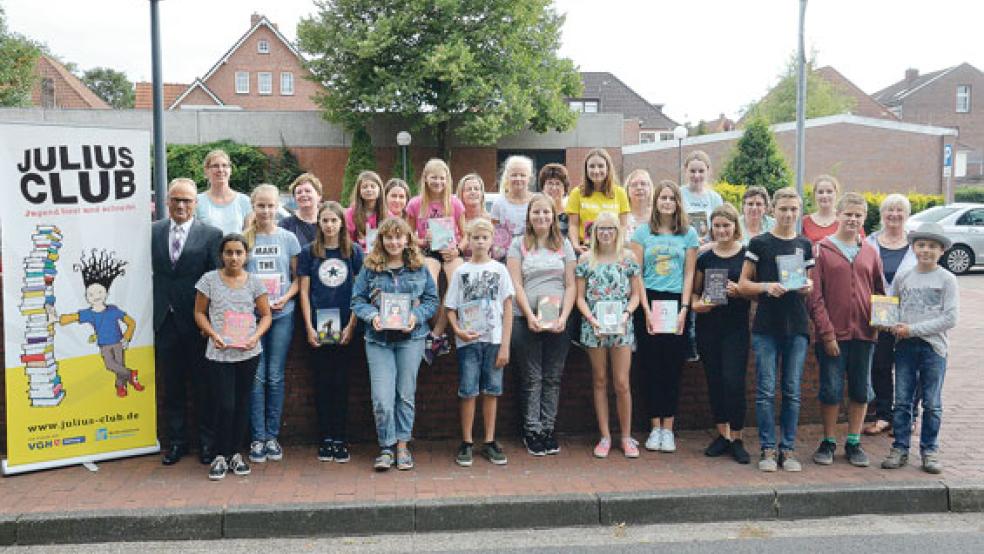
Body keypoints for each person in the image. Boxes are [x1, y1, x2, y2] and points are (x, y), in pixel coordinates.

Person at [351, 217, 439, 472]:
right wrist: (373, 316)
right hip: (378, 340)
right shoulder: (370, 267)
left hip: (411, 339)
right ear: (381, 240)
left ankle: (402, 446)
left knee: (405, 394)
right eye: (389, 237)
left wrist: (416, 317)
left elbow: (432, 300)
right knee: (381, 397)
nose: (394, 242)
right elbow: (356, 300)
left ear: (408, 239)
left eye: (399, 237)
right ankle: (386, 446)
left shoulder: (419, 267)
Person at [738, 187, 814, 473]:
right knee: (766, 390)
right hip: (766, 326)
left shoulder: (805, 244)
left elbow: (809, 285)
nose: (788, 214)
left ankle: (788, 449)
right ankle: (768, 449)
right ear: (773, 210)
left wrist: (808, 287)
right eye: (783, 209)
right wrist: (767, 287)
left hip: (796, 325)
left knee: (792, 391)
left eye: (793, 209)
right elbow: (744, 284)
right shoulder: (759, 243)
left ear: (799, 211)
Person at [808, 193, 885, 468]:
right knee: (830, 390)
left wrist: (880, 321)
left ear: (864, 219)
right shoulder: (822, 250)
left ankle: (853, 441)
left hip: (864, 335)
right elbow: (815, 298)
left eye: (858, 215)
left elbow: (879, 292)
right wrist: (826, 333)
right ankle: (828, 441)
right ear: (838, 215)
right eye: (848, 214)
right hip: (834, 336)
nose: (853, 219)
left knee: (861, 390)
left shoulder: (870, 253)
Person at [151, 178, 222, 466]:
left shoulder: (211, 234)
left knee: (204, 387)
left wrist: (211, 323)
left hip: (197, 322)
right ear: (167, 201)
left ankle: (207, 444)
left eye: (187, 200)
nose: (181, 205)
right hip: (164, 321)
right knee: (173, 387)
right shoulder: (153, 232)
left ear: (196, 203)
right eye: (176, 199)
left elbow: (216, 280)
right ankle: (177, 443)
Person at [881, 222, 959, 475]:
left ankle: (929, 450)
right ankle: (900, 447)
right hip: (904, 347)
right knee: (902, 401)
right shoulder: (904, 276)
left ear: (942, 251)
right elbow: (892, 307)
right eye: (921, 245)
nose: (926, 250)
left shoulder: (947, 279)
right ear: (914, 247)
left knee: (932, 403)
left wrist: (912, 329)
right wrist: (887, 323)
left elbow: (950, 318)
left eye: (932, 246)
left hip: (933, 349)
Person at [194, 233, 272, 480]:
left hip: (248, 352)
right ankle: (220, 454)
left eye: (239, 252)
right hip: (219, 352)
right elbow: (199, 312)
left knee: (242, 404)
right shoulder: (209, 280)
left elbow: (266, 315)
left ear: (246, 255)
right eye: (229, 252)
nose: (234, 257)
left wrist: (255, 336)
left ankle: (235, 454)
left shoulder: (254, 282)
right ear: (222, 255)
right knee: (224, 404)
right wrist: (211, 333)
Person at [629, 181, 698, 454]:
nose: (667, 202)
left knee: (672, 367)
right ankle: (654, 426)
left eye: (671, 198)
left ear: (678, 202)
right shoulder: (642, 233)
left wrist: (683, 309)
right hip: (649, 302)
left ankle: (668, 428)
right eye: (663, 197)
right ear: (656, 202)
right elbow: (637, 273)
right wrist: (644, 308)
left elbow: (690, 274)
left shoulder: (689, 234)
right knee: (650, 366)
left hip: (675, 304)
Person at [507, 193, 577, 456]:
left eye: (546, 212)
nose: (541, 217)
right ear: (529, 216)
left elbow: (571, 285)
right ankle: (532, 431)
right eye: (536, 212)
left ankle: (548, 429)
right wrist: (529, 315)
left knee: (553, 377)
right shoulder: (518, 245)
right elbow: (516, 285)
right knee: (532, 377)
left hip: (559, 319)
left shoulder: (565, 244)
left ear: (553, 215)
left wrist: (563, 317)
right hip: (525, 319)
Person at [445, 218, 514, 466]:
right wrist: (458, 331)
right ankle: (466, 441)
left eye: (485, 237)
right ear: (469, 241)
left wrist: (505, 344)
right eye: (476, 237)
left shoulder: (500, 270)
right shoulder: (461, 271)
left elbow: (508, 307)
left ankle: (489, 440)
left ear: (492, 240)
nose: (480, 242)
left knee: (492, 391)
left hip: (494, 340)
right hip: (469, 342)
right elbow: (450, 307)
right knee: (468, 390)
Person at [298, 201, 363, 463]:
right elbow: (303, 291)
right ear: (319, 224)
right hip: (319, 325)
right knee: (323, 382)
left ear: (342, 223)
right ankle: (326, 437)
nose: (329, 225)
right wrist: (309, 327)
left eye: (333, 220)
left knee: (342, 383)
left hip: (347, 325)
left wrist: (352, 325)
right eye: (324, 220)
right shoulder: (309, 252)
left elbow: (361, 291)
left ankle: (340, 438)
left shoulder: (354, 252)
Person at [574, 212, 642, 458]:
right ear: (594, 232)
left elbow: (635, 294)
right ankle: (605, 436)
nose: (605, 233)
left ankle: (626, 436)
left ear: (617, 231)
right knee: (600, 380)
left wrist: (625, 314)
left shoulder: (628, 258)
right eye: (601, 229)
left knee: (622, 383)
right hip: (594, 328)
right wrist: (591, 319)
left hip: (622, 326)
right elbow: (580, 298)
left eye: (610, 229)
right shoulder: (585, 260)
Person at [242, 185, 301, 464]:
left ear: (278, 207)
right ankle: (257, 436)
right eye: (261, 205)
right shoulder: (245, 240)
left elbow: (297, 278)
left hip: (282, 314)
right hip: (252, 317)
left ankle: (272, 436)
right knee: (256, 376)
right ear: (253, 207)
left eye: (270, 206)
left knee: (275, 375)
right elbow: (237, 278)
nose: (266, 211)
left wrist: (285, 297)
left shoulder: (288, 238)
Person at [691, 204, 752, 464]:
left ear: (735, 226)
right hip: (709, 328)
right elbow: (694, 292)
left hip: (736, 328)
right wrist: (698, 305)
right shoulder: (705, 258)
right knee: (714, 381)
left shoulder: (748, 255)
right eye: (717, 226)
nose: (722, 230)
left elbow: (754, 289)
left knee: (734, 382)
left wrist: (740, 290)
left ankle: (737, 437)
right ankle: (722, 435)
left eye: (726, 225)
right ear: (711, 228)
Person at [51, 249, 139, 397]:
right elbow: (73, 317)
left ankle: (121, 387)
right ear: (86, 296)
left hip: (118, 342)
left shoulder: (113, 310)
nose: (95, 296)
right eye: (91, 294)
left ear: (106, 294)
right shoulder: (89, 314)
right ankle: (131, 374)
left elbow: (131, 322)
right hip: (104, 345)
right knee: (110, 365)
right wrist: (58, 319)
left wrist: (127, 337)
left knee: (119, 365)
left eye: (99, 292)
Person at [864, 194, 918, 436]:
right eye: (889, 210)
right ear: (882, 213)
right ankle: (884, 414)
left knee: (909, 365)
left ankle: (909, 416)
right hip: (881, 312)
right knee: (881, 364)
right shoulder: (869, 242)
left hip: (910, 314)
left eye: (900, 210)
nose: (894, 214)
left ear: (907, 215)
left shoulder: (916, 244)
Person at [406, 158, 465, 364]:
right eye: (434, 177)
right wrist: (422, 241)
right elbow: (408, 234)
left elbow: (465, 235)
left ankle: (437, 334)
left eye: (442, 178)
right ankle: (433, 332)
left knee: (457, 278)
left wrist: (457, 250)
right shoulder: (415, 203)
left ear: (447, 179)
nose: (438, 182)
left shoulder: (455, 202)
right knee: (429, 281)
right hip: (428, 250)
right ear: (425, 178)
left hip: (451, 251)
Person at [566, 148, 630, 254]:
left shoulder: (620, 193)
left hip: (611, 249)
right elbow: (573, 225)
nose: (596, 171)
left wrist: (619, 246)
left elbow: (623, 226)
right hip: (586, 249)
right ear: (586, 169)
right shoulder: (576, 193)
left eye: (600, 166)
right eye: (591, 166)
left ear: (608, 168)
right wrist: (575, 245)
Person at [195, 149, 252, 235]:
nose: (220, 170)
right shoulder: (196, 202)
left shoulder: (245, 201)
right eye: (215, 166)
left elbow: (249, 237)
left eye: (225, 165)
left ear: (230, 170)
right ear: (206, 170)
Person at [491, 156, 534, 261]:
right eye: (514, 175)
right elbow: (494, 233)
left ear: (529, 178)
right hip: (505, 257)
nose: (518, 178)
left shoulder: (536, 201)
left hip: (531, 255)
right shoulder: (499, 203)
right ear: (507, 177)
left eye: (522, 175)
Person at [802, 175, 865, 244]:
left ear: (836, 193)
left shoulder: (849, 219)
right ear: (814, 195)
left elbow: (861, 247)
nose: (824, 195)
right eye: (820, 192)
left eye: (829, 192)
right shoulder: (804, 222)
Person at [680, 151, 724, 244]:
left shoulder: (715, 198)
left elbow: (721, 226)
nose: (696, 175)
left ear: (707, 171)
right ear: (685, 170)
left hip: (708, 249)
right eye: (692, 171)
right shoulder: (677, 194)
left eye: (701, 171)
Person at [279, 173, 324, 246]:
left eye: (307, 191)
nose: (303, 194)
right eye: (299, 192)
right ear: (295, 198)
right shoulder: (285, 225)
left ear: (319, 195)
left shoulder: (330, 221)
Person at [346, 170, 386, 249]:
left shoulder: (387, 214)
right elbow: (347, 239)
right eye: (364, 187)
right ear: (359, 191)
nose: (369, 190)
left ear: (380, 190)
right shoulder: (350, 214)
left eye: (372, 186)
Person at [457, 173, 491, 260]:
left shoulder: (490, 220)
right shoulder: (454, 220)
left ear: (482, 193)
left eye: (476, 189)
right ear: (461, 194)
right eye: (468, 189)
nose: (473, 192)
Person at [538, 163, 571, 239]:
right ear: (543, 187)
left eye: (558, 183)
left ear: (564, 188)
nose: (554, 188)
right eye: (550, 183)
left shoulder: (570, 212)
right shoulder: (537, 211)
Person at [624, 170, 654, 239]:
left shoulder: (658, 215)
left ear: (650, 188)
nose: (639, 188)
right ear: (627, 190)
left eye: (643, 184)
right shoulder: (621, 216)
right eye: (634, 185)